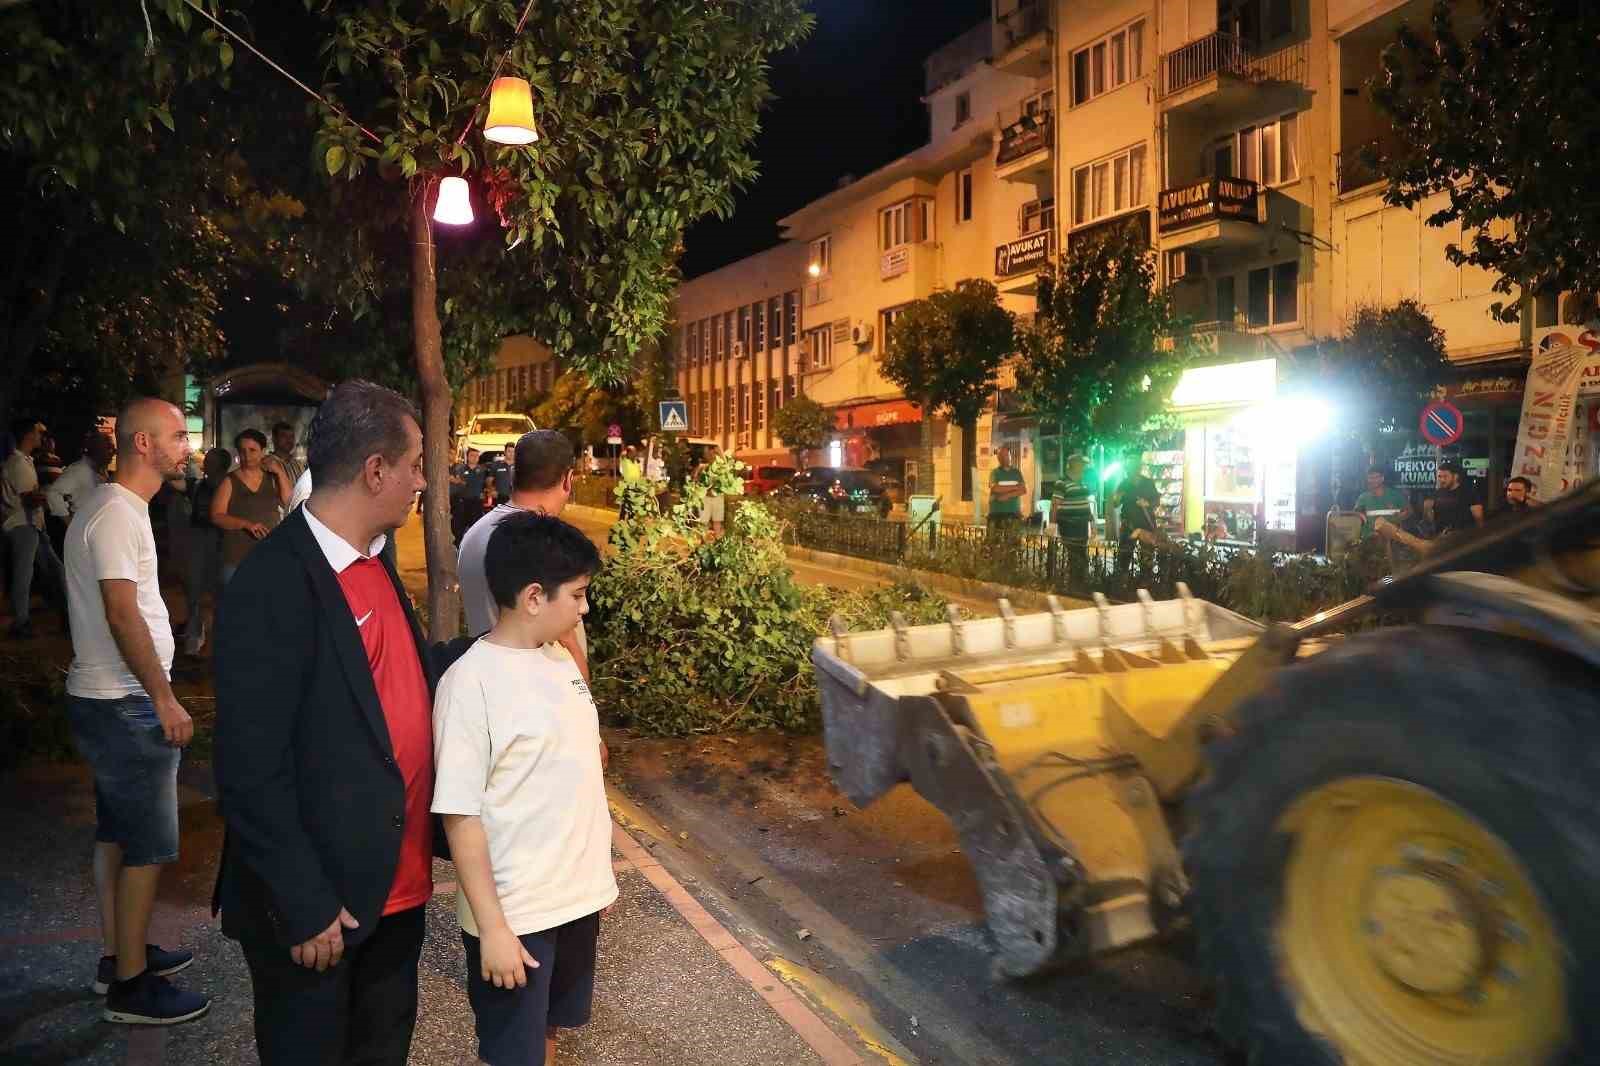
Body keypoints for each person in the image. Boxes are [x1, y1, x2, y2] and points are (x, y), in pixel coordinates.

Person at [213, 381, 433, 1066]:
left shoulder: (374, 562)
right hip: (322, 912)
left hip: (395, 893)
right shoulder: (271, 583)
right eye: (416, 463)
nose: (423, 480)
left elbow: (405, 674)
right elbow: (250, 768)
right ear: (375, 471)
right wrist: (302, 901)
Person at [432, 511, 615, 1066]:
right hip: (518, 915)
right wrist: (493, 929)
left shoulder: (558, 657)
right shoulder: (471, 684)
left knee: (547, 1034)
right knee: (512, 1051)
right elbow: (460, 817)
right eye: (578, 595)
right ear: (534, 596)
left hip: (576, 901)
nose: (585, 608)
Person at [62, 397, 208, 1025]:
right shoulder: (119, 513)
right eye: (177, 436)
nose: (188, 446)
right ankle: (131, 985)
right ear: (141, 443)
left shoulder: (114, 507)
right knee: (147, 844)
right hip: (125, 703)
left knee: (117, 833)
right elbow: (123, 613)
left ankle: (118, 953)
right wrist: (164, 697)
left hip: (108, 699)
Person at [457, 430, 589, 679]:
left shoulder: (473, 536)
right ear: (568, 479)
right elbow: (567, 641)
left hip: (489, 682)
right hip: (542, 697)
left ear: (516, 474)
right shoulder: (544, 546)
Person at [4, 417, 65, 638]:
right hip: (23, 525)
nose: (42, 436)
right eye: (39, 432)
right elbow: (29, 499)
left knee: (53, 572)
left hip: (32, 525)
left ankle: (66, 615)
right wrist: (54, 495)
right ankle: (21, 623)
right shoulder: (18, 463)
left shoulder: (24, 461)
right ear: (28, 434)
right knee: (25, 574)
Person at [211, 429, 284, 584]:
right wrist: (246, 524)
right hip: (237, 557)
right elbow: (217, 515)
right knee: (236, 605)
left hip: (269, 555)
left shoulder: (272, 478)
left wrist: (279, 471)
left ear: (263, 451)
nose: (247, 456)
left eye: (252, 450)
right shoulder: (229, 481)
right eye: (242, 451)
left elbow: (289, 501)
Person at [181, 448, 230, 656]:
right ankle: (194, 639)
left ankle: (215, 640)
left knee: (216, 592)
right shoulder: (200, 484)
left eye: (209, 460)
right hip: (200, 539)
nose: (204, 463)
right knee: (195, 590)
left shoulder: (226, 485)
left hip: (219, 540)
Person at [47, 430, 116, 558]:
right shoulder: (79, 470)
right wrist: (70, 522)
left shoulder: (99, 472)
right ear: (97, 450)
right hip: (83, 537)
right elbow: (53, 493)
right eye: (109, 448)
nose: (113, 453)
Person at [1426, 461, 1485, 535]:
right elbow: (1431, 519)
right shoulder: (1437, 494)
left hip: (1462, 540)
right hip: (1440, 541)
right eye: (1439, 476)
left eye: (1445, 476)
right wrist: (1427, 511)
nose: (1442, 480)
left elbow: (1479, 521)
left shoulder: (1469, 494)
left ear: (1456, 476)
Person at [1353, 466, 1411, 538]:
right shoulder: (1363, 498)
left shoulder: (1395, 495)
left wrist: (1401, 517)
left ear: (1382, 478)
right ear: (1368, 479)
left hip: (1393, 537)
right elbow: (1356, 517)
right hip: (1370, 537)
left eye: (1376, 477)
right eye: (1371, 478)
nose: (1373, 480)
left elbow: (1409, 511)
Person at [1050, 453, 1095, 541]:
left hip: (1083, 525)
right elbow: (1055, 505)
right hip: (1069, 525)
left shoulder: (1082, 483)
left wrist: (1092, 524)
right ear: (1074, 466)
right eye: (1082, 464)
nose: (1084, 467)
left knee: (1081, 551)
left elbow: (1085, 504)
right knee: (1074, 551)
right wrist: (1052, 524)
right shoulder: (1062, 483)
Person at [262, 421, 304, 504]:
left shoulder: (299, 465)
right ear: (274, 439)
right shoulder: (266, 463)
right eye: (284, 436)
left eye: (291, 436)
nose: (289, 440)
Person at [987, 447, 1026, 533]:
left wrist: (1007, 495)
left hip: (1014, 514)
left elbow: (1023, 490)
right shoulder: (994, 473)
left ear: (1010, 456)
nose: (1005, 458)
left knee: (1013, 543)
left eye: (1006, 455)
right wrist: (1016, 487)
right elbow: (995, 488)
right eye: (1001, 456)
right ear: (998, 458)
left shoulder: (1017, 472)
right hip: (996, 514)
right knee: (993, 543)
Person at [693, 444, 728, 536]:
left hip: (718, 497)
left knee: (717, 523)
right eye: (707, 452)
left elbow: (726, 466)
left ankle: (718, 544)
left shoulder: (719, 467)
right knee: (704, 523)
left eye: (712, 452)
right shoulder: (702, 467)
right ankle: (703, 544)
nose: (709, 454)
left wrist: (720, 450)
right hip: (705, 499)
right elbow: (694, 482)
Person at [449, 448, 480, 544]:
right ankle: (458, 551)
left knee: (476, 530)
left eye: (476, 456)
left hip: (476, 503)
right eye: (472, 455)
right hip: (461, 503)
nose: (474, 458)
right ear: (467, 457)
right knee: (458, 530)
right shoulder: (460, 468)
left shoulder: (483, 469)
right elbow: (458, 481)